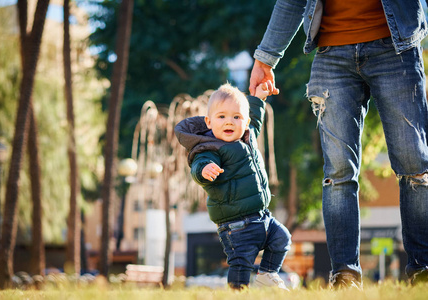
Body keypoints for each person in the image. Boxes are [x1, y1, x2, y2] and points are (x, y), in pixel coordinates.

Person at [249, 0, 428, 289]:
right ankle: (344, 275)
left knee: (414, 164)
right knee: (338, 172)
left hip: (397, 49)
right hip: (332, 54)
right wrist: (265, 59)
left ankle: (423, 270)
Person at [175, 82, 291, 290]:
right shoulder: (210, 148)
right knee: (241, 264)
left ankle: (267, 274)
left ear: (244, 122)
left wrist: (259, 99)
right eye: (222, 117)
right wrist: (204, 170)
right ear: (209, 122)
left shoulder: (248, 137)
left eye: (236, 117)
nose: (229, 122)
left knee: (282, 238)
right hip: (236, 226)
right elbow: (199, 164)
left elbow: (255, 116)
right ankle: (237, 292)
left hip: (262, 217)